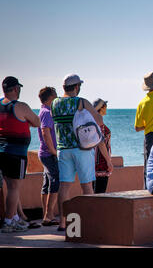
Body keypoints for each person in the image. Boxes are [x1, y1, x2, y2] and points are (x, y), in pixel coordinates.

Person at [52, 74, 111, 232]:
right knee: (87, 187)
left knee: (64, 187)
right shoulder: (80, 101)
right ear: (76, 87)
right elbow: (99, 120)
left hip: (62, 149)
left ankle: (63, 223)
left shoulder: (55, 103)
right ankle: (88, 220)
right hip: (81, 149)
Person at [0, 76, 40, 233]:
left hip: (2, 152)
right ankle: (9, 221)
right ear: (16, 89)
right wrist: (26, 121)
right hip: (16, 154)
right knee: (14, 187)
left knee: (10, 186)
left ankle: (15, 218)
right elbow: (37, 122)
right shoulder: (21, 106)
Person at [37, 87, 60, 226]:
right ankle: (48, 215)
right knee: (55, 182)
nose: (57, 97)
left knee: (47, 184)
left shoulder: (45, 111)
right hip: (48, 154)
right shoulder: (46, 112)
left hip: (45, 153)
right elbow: (45, 132)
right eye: (55, 95)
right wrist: (53, 151)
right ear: (50, 97)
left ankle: (46, 215)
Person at [92, 98, 114, 194]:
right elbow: (101, 143)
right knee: (100, 192)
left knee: (94, 191)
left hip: (92, 160)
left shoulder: (91, 121)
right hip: (101, 160)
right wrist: (108, 161)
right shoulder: (99, 121)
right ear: (102, 108)